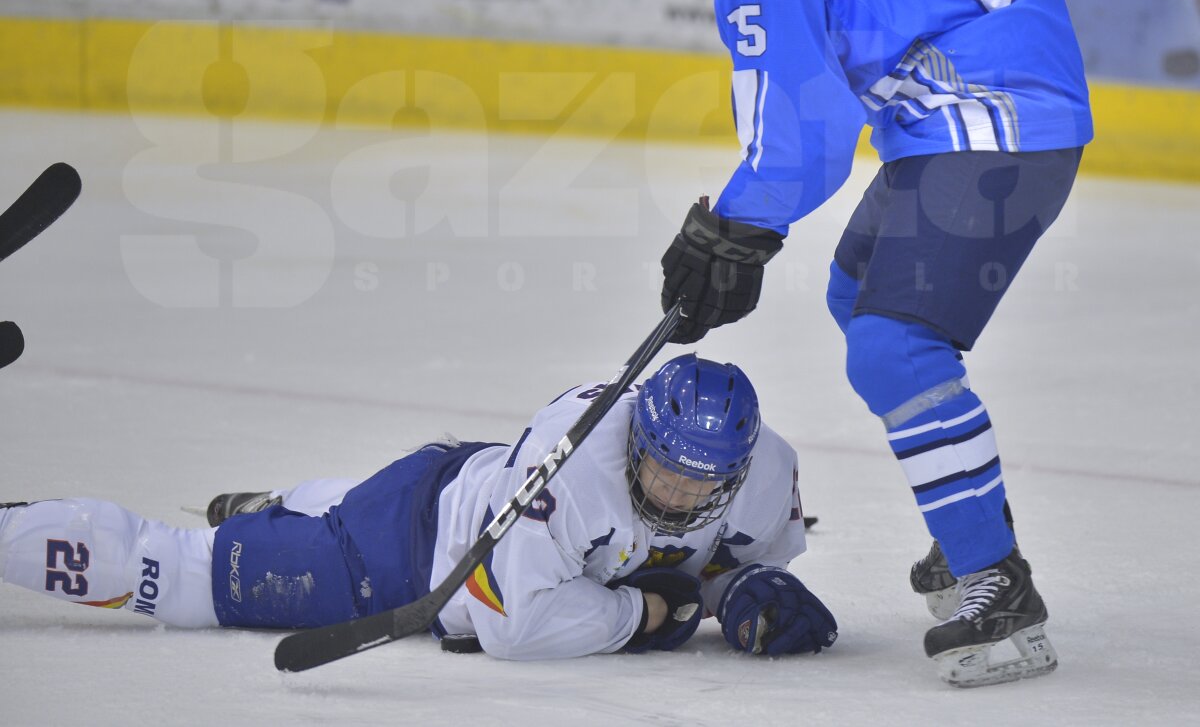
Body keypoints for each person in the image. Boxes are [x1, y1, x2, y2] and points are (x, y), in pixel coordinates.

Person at [622, 0, 1093, 687]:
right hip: (1012, 77)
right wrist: (915, 2)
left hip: (991, 119)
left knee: (891, 348)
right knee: (856, 289)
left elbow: (801, 150)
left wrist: (728, 234)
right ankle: (970, 539)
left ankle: (995, 580)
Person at [0, 354, 836, 661]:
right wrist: (644, 614)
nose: (680, 496)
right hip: (408, 549)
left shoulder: (769, 472)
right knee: (184, 579)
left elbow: (736, 561)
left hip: (469, 482)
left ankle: (286, 507)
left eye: (702, 487)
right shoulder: (574, 468)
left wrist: (743, 593)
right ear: (638, 439)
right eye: (663, 474)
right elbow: (515, 626)